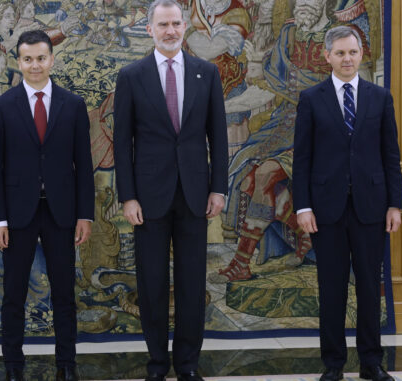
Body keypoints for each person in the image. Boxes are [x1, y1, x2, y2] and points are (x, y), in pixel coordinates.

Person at [112, 0, 228, 380]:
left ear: (185, 27)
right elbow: (122, 141)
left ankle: (188, 365)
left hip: (196, 196)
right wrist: (127, 196)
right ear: (150, 29)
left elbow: (219, 137)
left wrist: (218, 189)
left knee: (192, 284)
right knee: (152, 284)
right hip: (148, 198)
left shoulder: (206, 73)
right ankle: (157, 364)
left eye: (177, 23)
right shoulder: (131, 75)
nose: (171, 30)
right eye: (163, 24)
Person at [0, 30, 94, 381]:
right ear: (19, 62)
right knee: (14, 294)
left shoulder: (73, 106)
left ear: (52, 59)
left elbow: (84, 166)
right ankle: (14, 366)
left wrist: (84, 215)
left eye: (41, 58)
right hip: (17, 215)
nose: (35, 65)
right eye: (28, 59)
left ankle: (66, 364)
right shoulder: (2, 106)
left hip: (61, 213)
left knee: (64, 294)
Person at [292, 26, 402, 381]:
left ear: (361, 53)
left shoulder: (380, 97)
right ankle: (334, 364)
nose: (347, 59)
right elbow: (303, 158)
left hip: (372, 207)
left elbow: (390, 155)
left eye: (352, 52)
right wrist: (303, 206)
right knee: (332, 288)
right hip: (326, 210)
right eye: (339, 53)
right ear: (327, 56)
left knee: (370, 287)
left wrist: (395, 205)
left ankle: (371, 362)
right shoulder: (311, 99)